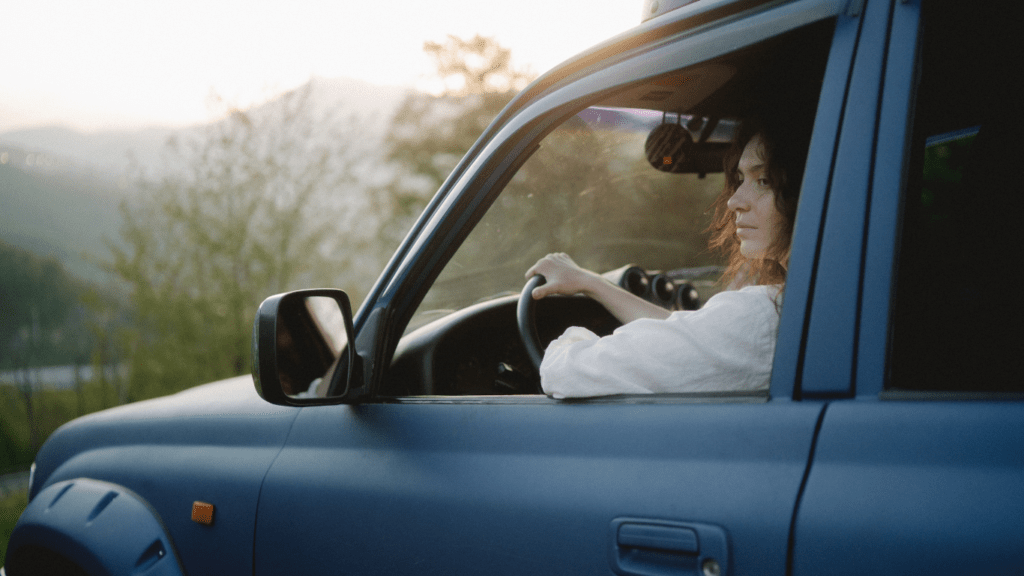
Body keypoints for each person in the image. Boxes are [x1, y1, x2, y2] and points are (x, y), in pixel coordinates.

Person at [525, 118, 806, 398]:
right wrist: (591, 283)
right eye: (741, 179)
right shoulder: (800, 309)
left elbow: (566, 373)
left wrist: (569, 343)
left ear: (807, 190)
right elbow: (694, 338)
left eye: (763, 180)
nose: (735, 201)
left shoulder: (763, 317)